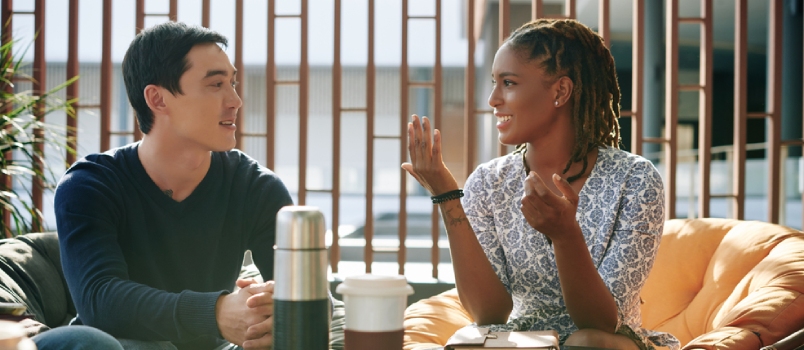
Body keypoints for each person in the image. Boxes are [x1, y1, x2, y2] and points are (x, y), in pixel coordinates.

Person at [402, 19, 679, 350]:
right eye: (494, 82)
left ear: (560, 91)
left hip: (609, 343)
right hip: (524, 343)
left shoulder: (635, 180)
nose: (493, 99)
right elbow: (489, 312)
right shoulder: (489, 182)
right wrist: (447, 196)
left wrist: (565, 235)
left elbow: (601, 321)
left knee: (586, 343)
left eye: (508, 83)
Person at [41, 22, 296, 350]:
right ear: (158, 99)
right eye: (216, 84)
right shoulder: (90, 185)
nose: (235, 100)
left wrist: (276, 311)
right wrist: (216, 312)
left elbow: (313, 299)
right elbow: (99, 300)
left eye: (232, 83)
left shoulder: (256, 187)